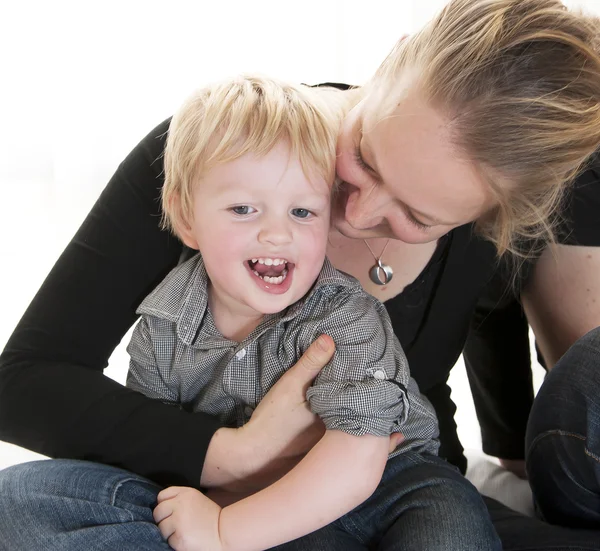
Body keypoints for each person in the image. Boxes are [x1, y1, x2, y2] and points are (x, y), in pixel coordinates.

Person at [0, 0, 599, 549]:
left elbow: (493, 326)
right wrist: (234, 459)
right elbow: (25, 383)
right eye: (364, 154)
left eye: (416, 217)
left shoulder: (486, 221)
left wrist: (509, 451)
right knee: (19, 504)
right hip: (205, 499)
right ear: (390, 60)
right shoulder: (220, 151)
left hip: (382, 491)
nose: (358, 215)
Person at [122, 73, 497, 550]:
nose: (278, 234)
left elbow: (358, 457)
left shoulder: (344, 315)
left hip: (392, 479)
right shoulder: (163, 323)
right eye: (243, 209)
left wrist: (224, 531)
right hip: (253, 492)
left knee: (450, 528)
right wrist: (217, 497)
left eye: (302, 213)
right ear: (186, 218)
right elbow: (154, 440)